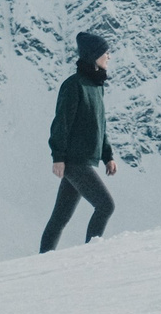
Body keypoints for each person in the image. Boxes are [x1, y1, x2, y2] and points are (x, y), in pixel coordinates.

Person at [41, 31, 119, 252]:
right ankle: (90, 254)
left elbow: (99, 125)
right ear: (93, 56)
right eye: (106, 53)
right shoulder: (73, 85)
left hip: (85, 160)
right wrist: (58, 158)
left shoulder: (97, 87)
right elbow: (61, 123)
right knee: (105, 206)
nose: (109, 57)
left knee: (60, 218)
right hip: (75, 162)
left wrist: (108, 156)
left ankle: (41, 260)